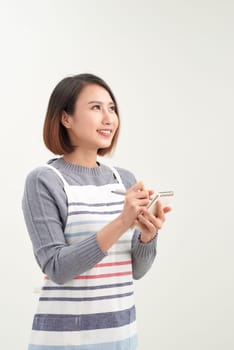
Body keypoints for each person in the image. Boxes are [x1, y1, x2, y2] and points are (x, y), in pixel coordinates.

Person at [22, 73, 172, 350]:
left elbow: (136, 271)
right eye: (95, 108)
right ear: (65, 118)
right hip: (65, 341)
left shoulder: (123, 179)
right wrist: (122, 221)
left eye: (111, 108)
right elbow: (57, 268)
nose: (109, 118)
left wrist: (147, 238)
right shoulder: (45, 180)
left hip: (121, 337)